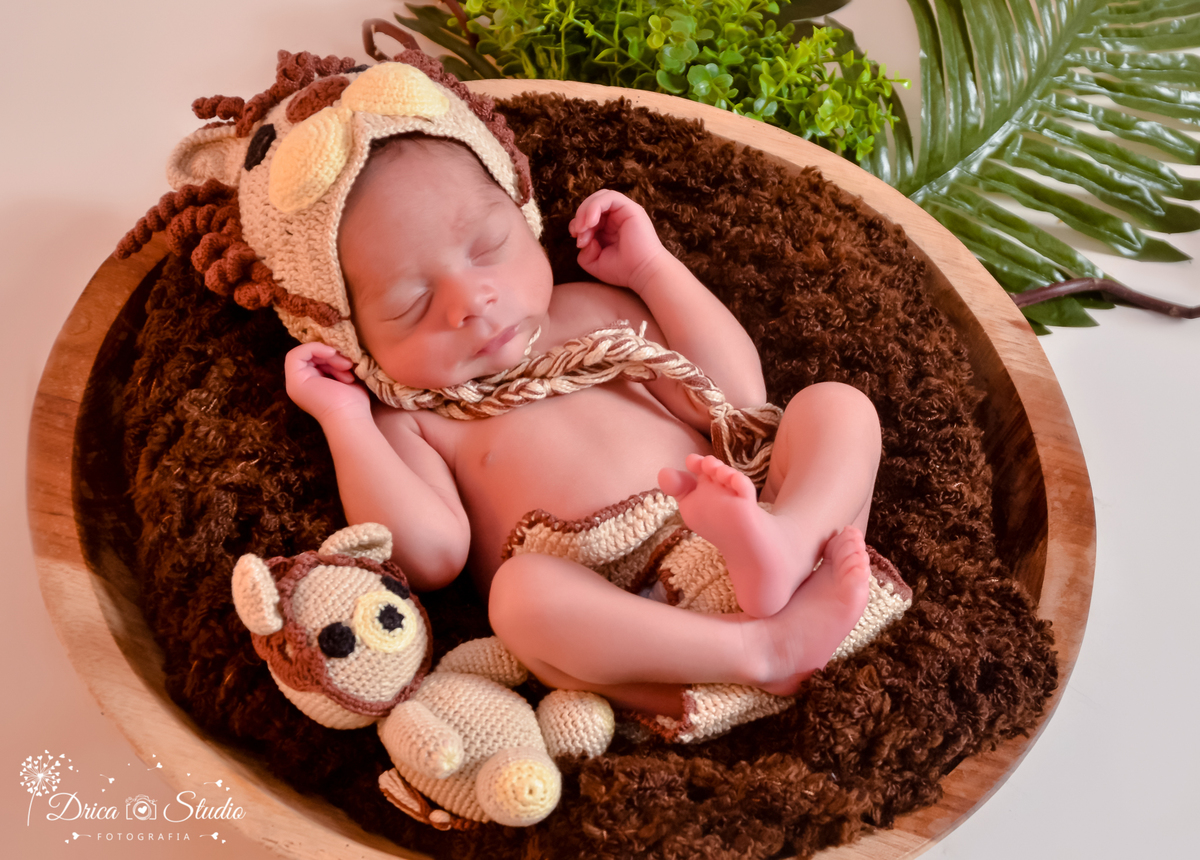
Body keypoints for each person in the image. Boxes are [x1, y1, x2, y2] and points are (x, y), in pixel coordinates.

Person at [283, 132, 882, 718]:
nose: (472, 300)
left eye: (488, 247)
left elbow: (732, 397)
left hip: (745, 530)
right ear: (353, 337)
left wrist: (652, 269)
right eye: (411, 304)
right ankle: (763, 651)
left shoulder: (589, 309)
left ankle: (792, 543)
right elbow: (430, 557)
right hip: (632, 626)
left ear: (527, 220)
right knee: (518, 600)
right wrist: (344, 418)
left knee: (837, 406)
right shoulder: (413, 417)